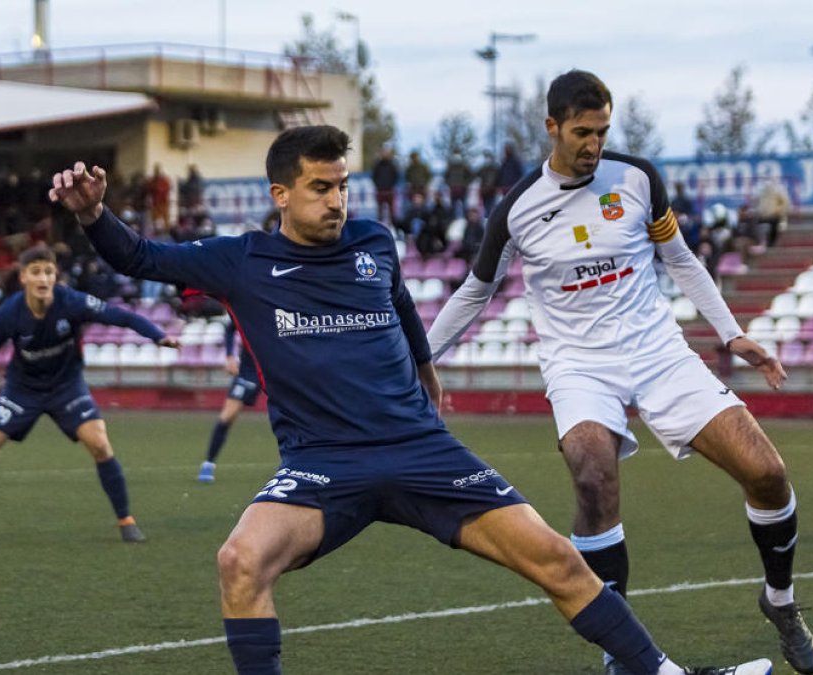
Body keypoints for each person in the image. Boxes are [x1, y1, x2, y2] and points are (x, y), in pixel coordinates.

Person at [49, 126, 772, 675]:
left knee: (558, 558)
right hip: (324, 465)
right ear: (280, 195)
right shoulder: (241, 262)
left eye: (342, 187)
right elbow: (138, 258)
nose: (337, 201)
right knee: (240, 560)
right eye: (320, 188)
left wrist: (426, 368)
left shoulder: (374, 241)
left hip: (421, 451)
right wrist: (92, 216)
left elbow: (397, 303)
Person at [426, 71, 813, 675]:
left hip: (658, 351)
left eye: (603, 130)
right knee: (591, 473)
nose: (594, 144)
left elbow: (680, 258)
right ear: (552, 126)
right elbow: (475, 293)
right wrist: (420, 360)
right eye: (583, 132)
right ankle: (623, 654)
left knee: (767, 472)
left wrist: (732, 333)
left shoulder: (637, 179)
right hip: (578, 364)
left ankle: (781, 602)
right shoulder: (518, 209)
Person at [0, 246, 180, 543]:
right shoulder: (9, 313)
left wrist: (157, 335)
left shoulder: (72, 302)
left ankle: (126, 521)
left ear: (56, 276)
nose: (43, 278)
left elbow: (120, 317)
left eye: (49, 272)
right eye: (36, 272)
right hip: (22, 389)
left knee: (100, 443)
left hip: (66, 386)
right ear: (23, 277)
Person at [199, 319, 262, 484]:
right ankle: (209, 464)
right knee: (227, 416)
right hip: (249, 370)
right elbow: (230, 328)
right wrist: (229, 356)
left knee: (290, 414)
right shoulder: (246, 302)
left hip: (278, 367)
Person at [370, 145, 401, 224]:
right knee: (380, 212)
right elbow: (374, 176)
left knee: (392, 212)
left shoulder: (392, 165)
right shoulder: (377, 165)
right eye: (383, 152)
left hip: (390, 191)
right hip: (380, 191)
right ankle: (380, 225)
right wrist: (378, 185)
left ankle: (393, 226)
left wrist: (391, 185)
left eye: (386, 152)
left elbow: (396, 176)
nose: (385, 154)